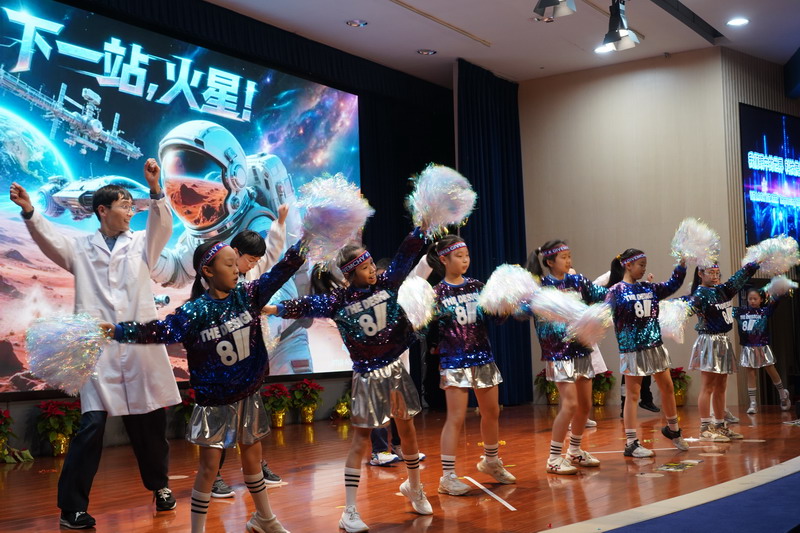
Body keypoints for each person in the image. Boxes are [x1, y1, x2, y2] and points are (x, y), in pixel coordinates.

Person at [10, 160, 181, 530]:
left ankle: (160, 487)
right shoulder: (80, 247)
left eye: (132, 206)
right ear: (102, 210)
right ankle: (72, 508)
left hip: (139, 346)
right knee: (91, 427)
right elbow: (49, 242)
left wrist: (155, 189)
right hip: (97, 350)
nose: (130, 211)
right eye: (124, 205)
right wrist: (30, 211)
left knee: (150, 424)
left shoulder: (142, 244)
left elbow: (162, 226)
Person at [107, 236, 307, 533]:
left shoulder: (248, 295)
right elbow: (159, 331)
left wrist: (306, 241)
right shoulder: (194, 312)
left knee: (254, 460)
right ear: (208, 271)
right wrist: (119, 331)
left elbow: (281, 271)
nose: (236, 269)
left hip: (248, 395)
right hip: (214, 403)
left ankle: (264, 518)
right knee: (209, 469)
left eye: (236, 264)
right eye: (229, 264)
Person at [264, 227, 433, 533]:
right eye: (365, 267)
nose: (372, 270)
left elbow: (404, 256)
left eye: (372, 265)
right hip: (367, 375)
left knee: (407, 431)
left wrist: (421, 231)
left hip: (394, 369)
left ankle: (414, 486)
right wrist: (275, 308)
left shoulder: (387, 283)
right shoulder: (338, 300)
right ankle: (350, 511)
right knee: (360, 441)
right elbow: (306, 305)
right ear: (351, 273)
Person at [210, 211, 289, 498]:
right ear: (235, 252)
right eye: (250, 259)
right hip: (226, 358)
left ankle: (258, 465)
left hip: (251, 354)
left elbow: (274, 255)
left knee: (252, 414)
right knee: (222, 416)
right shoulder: (218, 278)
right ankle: (214, 475)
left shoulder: (252, 274)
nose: (253, 264)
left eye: (256, 261)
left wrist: (280, 224)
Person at [429, 235, 515, 494]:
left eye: (467, 255)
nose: (465, 260)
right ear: (444, 259)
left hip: (482, 357)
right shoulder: (436, 293)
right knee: (455, 418)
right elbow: (429, 331)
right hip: (454, 362)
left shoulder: (477, 286)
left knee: (492, 412)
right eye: (459, 256)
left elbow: (494, 317)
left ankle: (491, 461)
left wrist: (506, 305)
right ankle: (447, 477)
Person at [526, 241, 607, 475]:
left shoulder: (577, 281)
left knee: (585, 405)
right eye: (563, 257)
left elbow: (601, 294)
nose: (568, 261)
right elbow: (525, 310)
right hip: (558, 352)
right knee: (570, 404)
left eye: (570, 256)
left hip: (581, 348)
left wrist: (621, 290)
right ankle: (553, 457)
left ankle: (575, 450)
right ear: (550, 261)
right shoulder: (541, 288)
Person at [604, 249, 688, 458]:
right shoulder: (615, 290)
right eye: (640, 264)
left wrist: (681, 266)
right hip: (632, 350)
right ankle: (631, 443)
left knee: (667, 387)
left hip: (655, 346)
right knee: (633, 395)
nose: (643, 269)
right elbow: (602, 315)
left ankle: (673, 430)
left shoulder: (649, 288)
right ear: (628, 265)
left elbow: (672, 285)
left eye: (645, 265)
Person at [685, 261, 760, 442]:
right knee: (708, 385)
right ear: (700, 274)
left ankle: (720, 425)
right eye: (710, 272)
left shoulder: (722, 290)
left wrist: (756, 262)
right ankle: (705, 428)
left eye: (717, 272)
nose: (715, 276)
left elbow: (740, 277)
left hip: (723, 340)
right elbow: (685, 309)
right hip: (709, 340)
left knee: (721, 386)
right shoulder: (700, 294)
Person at [735, 287, 792, 414]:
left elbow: (775, 301)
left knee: (771, 369)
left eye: (755, 299)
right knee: (751, 373)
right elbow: (725, 310)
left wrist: (780, 291)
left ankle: (783, 394)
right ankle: (753, 403)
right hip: (748, 347)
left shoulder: (765, 311)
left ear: (761, 300)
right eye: (750, 299)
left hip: (762, 346)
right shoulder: (740, 311)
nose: (752, 301)